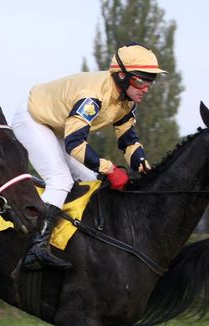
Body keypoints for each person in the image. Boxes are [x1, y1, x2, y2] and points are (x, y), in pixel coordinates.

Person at [12, 43, 168, 270]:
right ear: (122, 76)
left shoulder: (126, 101)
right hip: (33, 118)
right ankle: (35, 247)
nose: (146, 88)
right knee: (61, 179)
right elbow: (75, 144)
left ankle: (74, 241)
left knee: (92, 183)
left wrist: (144, 167)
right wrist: (110, 169)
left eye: (150, 81)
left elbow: (128, 140)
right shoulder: (93, 97)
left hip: (58, 126)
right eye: (141, 80)